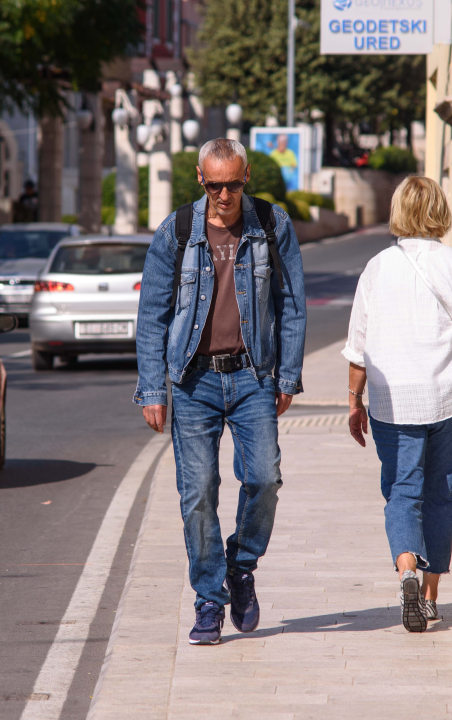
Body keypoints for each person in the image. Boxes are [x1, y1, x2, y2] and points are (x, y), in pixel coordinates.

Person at [134, 138, 306, 645]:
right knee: (198, 494)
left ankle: (242, 565)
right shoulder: (176, 232)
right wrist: (152, 389)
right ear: (199, 178)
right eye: (214, 185)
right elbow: (152, 316)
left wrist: (288, 376)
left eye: (232, 184)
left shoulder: (272, 225)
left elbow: (291, 303)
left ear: (246, 176)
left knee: (265, 478)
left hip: (254, 376)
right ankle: (209, 600)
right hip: (193, 380)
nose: (224, 195)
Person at [342, 176, 452, 633]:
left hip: (393, 401)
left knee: (403, 490)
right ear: (440, 211)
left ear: (398, 211)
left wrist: (353, 401)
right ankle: (431, 594)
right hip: (450, 398)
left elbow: (358, 348)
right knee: (442, 493)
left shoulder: (377, 267)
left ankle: (405, 570)